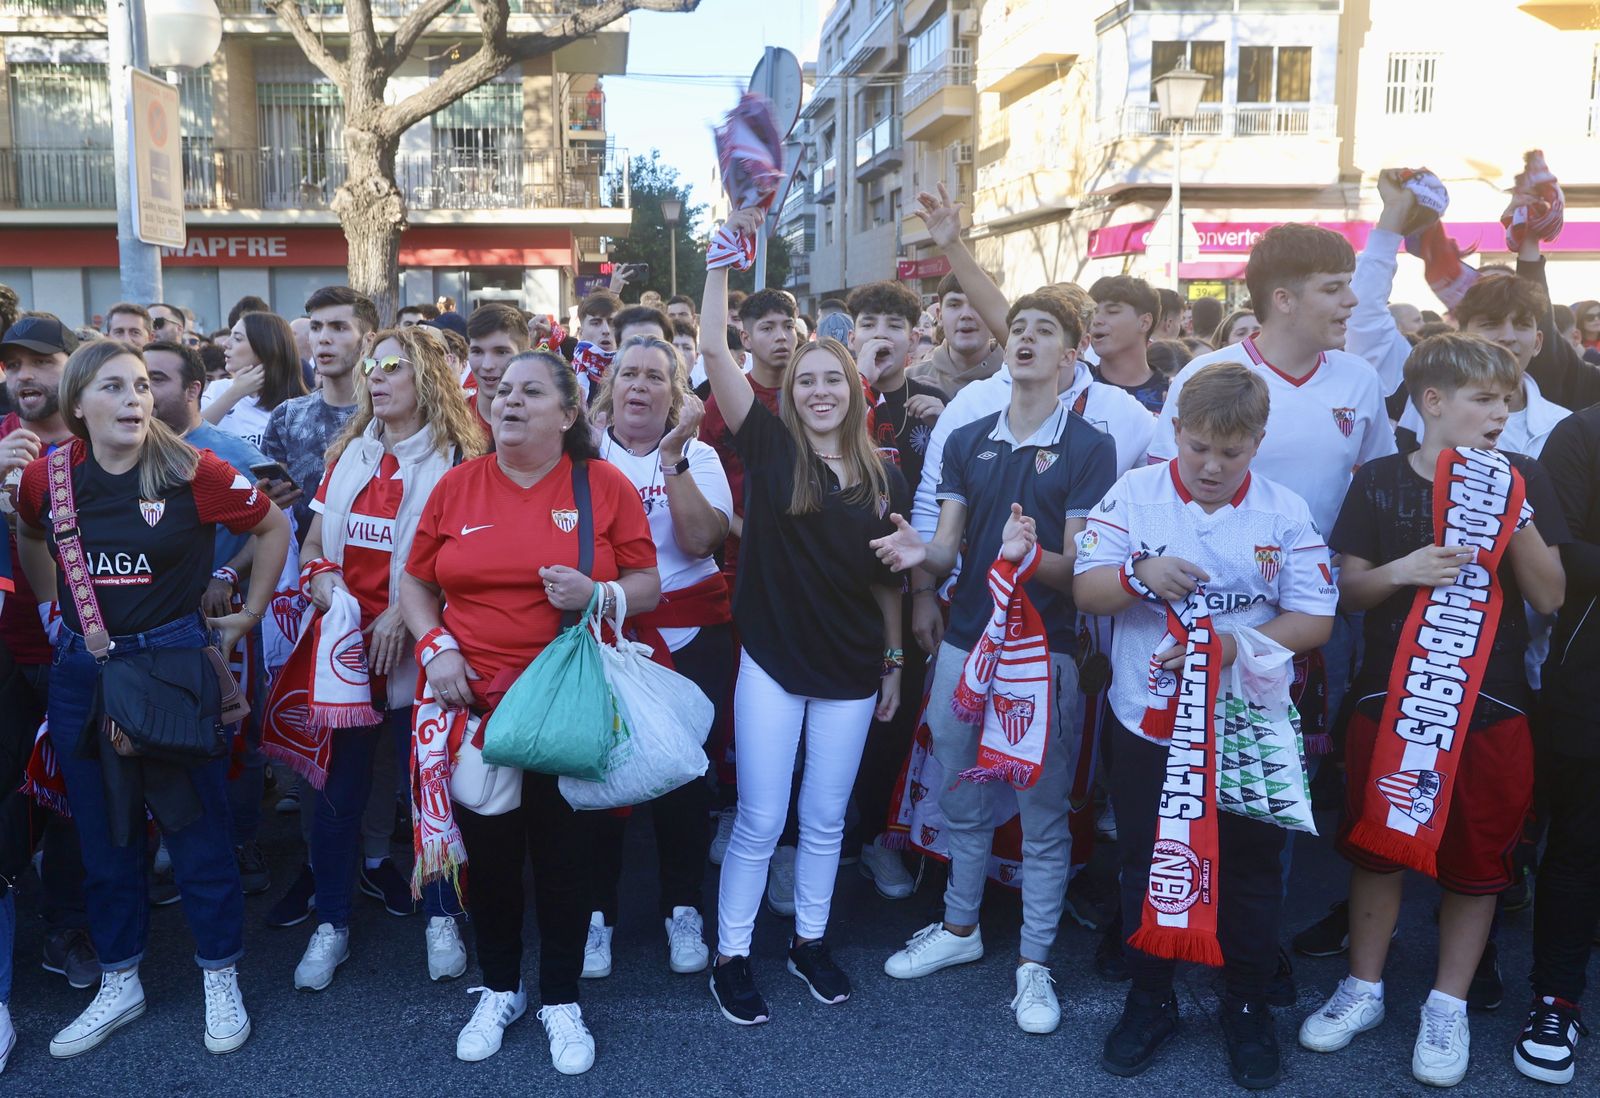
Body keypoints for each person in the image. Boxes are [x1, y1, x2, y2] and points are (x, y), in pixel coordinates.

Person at [1297, 334, 1565, 1089]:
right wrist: (1401, 571)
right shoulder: (1381, 479)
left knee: (1479, 862)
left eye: (1508, 400)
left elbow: (1550, 596)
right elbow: (1346, 590)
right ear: (1434, 402)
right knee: (1379, 846)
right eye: (1485, 399)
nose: (1501, 414)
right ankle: (1364, 986)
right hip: (1395, 699)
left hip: (1494, 704)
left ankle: (1446, 1003)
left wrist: (1513, 514)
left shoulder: (1524, 473)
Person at [15, 340, 290, 1059]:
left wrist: (251, 612)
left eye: (142, 385)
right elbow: (28, 531)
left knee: (195, 833)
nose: (135, 398)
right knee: (107, 837)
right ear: (79, 403)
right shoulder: (48, 479)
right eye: (114, 386)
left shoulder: (191, 468)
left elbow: (272, 525)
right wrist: (54, 608)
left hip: (171, 672)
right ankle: (120, 978)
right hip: (86, 676)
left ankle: (219, 975)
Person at [1074, 362, 1337, 1087]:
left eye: (1233, 451)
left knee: (1252, 869)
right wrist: (1139, 575)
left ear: (1257, 441)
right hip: (1147, 720)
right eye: (1199, 449)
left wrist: (1228, 646)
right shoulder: (1135, 493)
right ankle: (1150, 996)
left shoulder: (1284, 511)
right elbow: (1088, 588)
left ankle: (1246, 1003)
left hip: (1246, 725)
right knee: (1146, 859)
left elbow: (1315, 615)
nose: (1213, 466)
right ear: (1177, 432)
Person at [398, 349, 659, 1073]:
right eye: (501, 389)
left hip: (566, 708)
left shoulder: (602, 486)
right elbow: (415, 587)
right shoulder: (456, 487)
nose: (507, 402)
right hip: (474, 708)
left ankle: (561, 998)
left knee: (566, 860)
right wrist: (436, 649)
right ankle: (499, 986)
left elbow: (648, 585)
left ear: (568, 413)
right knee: (494, 859)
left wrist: (597, 595)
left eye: (530, 393)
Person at [870, 289, 1116, 1035]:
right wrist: (924, 558)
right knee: (960, 792)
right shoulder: (966, 434)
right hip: (962, 644)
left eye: (1046, 332)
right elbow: (948, 547)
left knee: (1042, 812)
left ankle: (1034, 964)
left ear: (1072, 358)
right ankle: (959, 927)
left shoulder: (1089, 445)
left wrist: (1028, 556)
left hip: (1044, 656)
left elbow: (1077, 568)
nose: (1027, 340)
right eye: (1022, 330)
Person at [700, 208, 907, 1027]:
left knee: (825, 821)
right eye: (808, 379)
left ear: (855, 391)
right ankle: (732, 954)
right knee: (760, 819)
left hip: (855, 672)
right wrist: (720, 266)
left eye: (834, 379)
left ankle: (810, 942)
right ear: (790, 390)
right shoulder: (769, 446)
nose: (820, 389)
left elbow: (888, 584)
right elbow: (715, 349)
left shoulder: (883, 473)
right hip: (775, 666)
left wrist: (892, 668)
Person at [288, 326, 484, 992]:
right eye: (372, 365)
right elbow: (315, 540)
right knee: (339, 796)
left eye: (392, 364)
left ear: (426, 376)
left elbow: (467, 562)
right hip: (349, 657)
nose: (376, 375)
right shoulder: (349, 452)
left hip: (424, 657)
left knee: (428, 789)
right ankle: (332, 923)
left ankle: (440, 915)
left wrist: (407, 611)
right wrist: (322, 582)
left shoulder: (460, 457)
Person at [585, 336, 733, 980]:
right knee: (596, 775)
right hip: (602, 636)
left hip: (688, 634)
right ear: (609, 388)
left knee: (683, 779)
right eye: (628, 375)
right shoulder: (580, 456)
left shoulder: (699, 454)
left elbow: (702, 541)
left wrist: (672, 462)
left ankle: (682, 907)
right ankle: (595, 916)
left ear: (676, 396)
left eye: (655, 377)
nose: (639, 387)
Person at [258, 287, 377, 927]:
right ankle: (315, 861)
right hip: (310, 596)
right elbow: (272, 514)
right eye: (317, 328)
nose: (323, 339)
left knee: (376, 742)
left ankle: (379, 858)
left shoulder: (390, 411)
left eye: (339, 327)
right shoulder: (288, 419)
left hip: (384, 603)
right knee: (317, 734)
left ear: (367, 337)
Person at [144, 340, 276, 894]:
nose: (142, 393)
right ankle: (168, 847)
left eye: (155, 380)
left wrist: (228, 577)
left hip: (219, 630)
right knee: (154, 738)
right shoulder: (125, 450)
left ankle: (239, 840)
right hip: (145, 632)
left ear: (195, 389)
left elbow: (274, 528)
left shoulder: (230, 454)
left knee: (231, 736)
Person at [0, 316, 98, 1000]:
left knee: (73, 798)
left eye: (40, 361)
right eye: (13, 364)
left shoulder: (103, 448)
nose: (24, 376)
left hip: (78, 650)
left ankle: (67, 929)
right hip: (6, 651)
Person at [845, 279, 949, 900]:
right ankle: (806, 842)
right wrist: (856, 379)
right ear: (851, 333)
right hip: (831, 589)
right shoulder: (828, 393)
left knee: (893, 716)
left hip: (903, 590)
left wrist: (923, 591)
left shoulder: (934, 405)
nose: (881, 333)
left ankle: (878, 842)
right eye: (869, 322)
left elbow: (943, 507)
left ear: (915, 337)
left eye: (894, 323)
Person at [1526, 397, 1600, 1085]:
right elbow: (1561, 554)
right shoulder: (1583, 431)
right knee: (1579, 846)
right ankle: (1555, 999)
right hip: (1588, 677)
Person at [202, 311, 307, 449]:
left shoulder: (301, 406)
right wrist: (235, 393)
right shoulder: (218, 389)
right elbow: (193, 436)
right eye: (230, 336)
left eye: (238, 339)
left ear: (265, 347)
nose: (226, 344)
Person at [906, 272, 1006, 396]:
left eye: (977, 304)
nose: (966, 315)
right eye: (954, 305)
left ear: (993, 314)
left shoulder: (1017, 379)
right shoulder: (911, 380)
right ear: (939, 316)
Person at [1088, 276, 1167, 413]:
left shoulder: (1172, 396)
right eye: (1093, 312)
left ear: (1144, 322)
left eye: (1112, 312)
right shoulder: (1076, 388)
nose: (1096, 320)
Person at [465, 304, 529, 437]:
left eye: (501, 352)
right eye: (477, 351)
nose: (487, 365)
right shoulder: (451, 421)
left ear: (524, 354)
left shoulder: (544, 421)